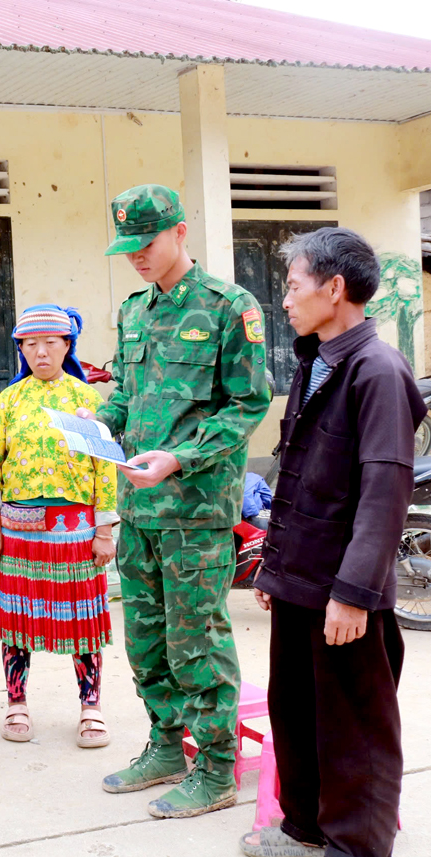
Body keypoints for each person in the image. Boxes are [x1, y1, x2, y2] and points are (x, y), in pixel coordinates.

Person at [83, 185, 270, 818]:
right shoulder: (134, 311)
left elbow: (248, 403)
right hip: (137, 509)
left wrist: (180, 457)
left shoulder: (228, 307)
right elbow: (126, 395)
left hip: (194, 512)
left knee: (198, 640)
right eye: (127, 247)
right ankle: (166, 745)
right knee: (146, 638)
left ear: (181, 232)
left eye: (147, 243)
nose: (135, 257)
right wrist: (94, 426)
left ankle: (217, 770)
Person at [240, 228, 421, 857]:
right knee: (296, 716)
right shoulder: (317, 361)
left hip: (345, 592)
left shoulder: (378, 370)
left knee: (355, 732)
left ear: (334, 288)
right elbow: (296, 472)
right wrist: (274, 567)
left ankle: (356, 847)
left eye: (293, 286)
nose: (283, 300)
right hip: (299, 579)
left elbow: (384, 493)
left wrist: (353, 595)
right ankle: (306, 830)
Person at [0, 304, 116, 748]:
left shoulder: (88, 400)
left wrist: (104, 529)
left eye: (50, 343)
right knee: (17, 621)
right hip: (17, 531)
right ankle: (16, 702)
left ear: (67, 345)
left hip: (75, 530)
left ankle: (90, 705)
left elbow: (105, 469)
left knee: (83, 621)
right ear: (21, 349)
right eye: (31, 344)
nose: (40, 352)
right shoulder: (9, 400)